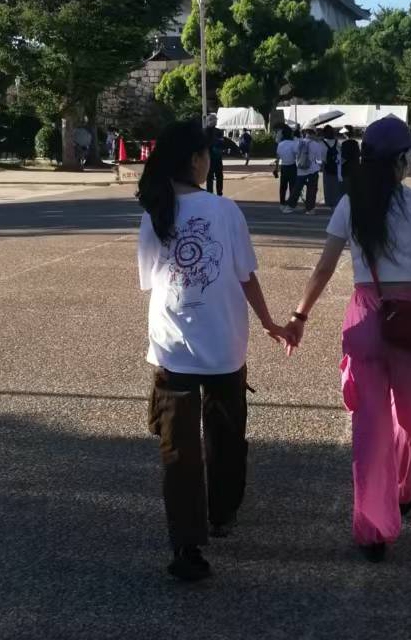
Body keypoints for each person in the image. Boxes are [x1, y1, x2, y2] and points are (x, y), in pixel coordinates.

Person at [284, 117, 411, 561]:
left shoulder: (351, 205)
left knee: (371, 430)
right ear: (401, 159)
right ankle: (408, 489)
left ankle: (374, 526)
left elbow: (324, 268)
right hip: (410, 320)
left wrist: (299, 316)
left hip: (365, 317)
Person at [137, 120, 288, 582]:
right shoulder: (225, 211)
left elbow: (149, 281)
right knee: (226, 436)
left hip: (172, 344)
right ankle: (222, 513)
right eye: (206, 154)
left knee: (178, 449)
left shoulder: (155, 211)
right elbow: (246, 275)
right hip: (225, 343)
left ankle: (186, 543)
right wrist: (269, 322)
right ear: (196, 161)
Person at [287, 126, 321, 214]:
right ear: (313, 133)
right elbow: (319, 159)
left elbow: (294, 154)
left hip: (301, 170)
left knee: (297, 188)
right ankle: (310, 209)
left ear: (305, 133)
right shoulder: (316, 144)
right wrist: (319, 166)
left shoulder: (298, 143)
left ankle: (290, 206)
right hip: (313, 170)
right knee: (312, 189)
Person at [275, 127, 299, 210]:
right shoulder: (293, 143)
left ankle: (282, 203)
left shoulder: (280, 144)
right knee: (292, 185)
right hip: (292, 166)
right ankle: (291, 203)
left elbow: (278, 157)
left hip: (283, 166)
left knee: (283, 186)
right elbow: (297, 154)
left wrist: (276, 168)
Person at [321, 127, 344, 208]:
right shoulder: (337, 142)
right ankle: (335, 201)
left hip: (326, 165)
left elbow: (321, 156)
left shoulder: (322, 143)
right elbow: (341, 153)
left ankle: (328, 201)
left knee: (327, 184)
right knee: (336, 184)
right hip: (337, 165)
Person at [204, 118, 226, 197]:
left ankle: (212, 193)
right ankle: (218, 193)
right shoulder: (217, 131)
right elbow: (222, 143)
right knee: (217, 176)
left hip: (211, 157)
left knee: (212, 176)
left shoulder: (205, 131)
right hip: (215, 157)